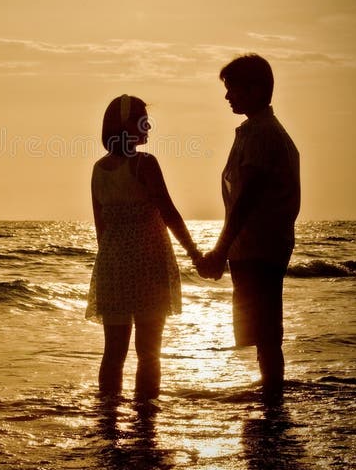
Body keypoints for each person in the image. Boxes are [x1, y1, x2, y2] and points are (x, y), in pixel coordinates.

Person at [197, 55, 300, 403]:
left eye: (233, 89)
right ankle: (272, 401)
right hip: (257, 245)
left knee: (266, 332)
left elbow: (247, 200)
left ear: (255, 90)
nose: (228, 97)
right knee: (262, 332)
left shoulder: (261, 134)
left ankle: (273, 403)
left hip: (259, 246)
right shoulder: (258, 131)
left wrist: (220, 249)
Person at [86, 94, 202, 401]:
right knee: (149, 352)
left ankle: (108, 421)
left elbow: (101, 228)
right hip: (148, 266)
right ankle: (145, 423)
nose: (148, 125)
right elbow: (169, 212)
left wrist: (115, 259)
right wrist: (194, 253)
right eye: (142, 120)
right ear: (127, 126)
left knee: (113, 352)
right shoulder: (144, 164)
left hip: (112, 265)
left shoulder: (99, 169)